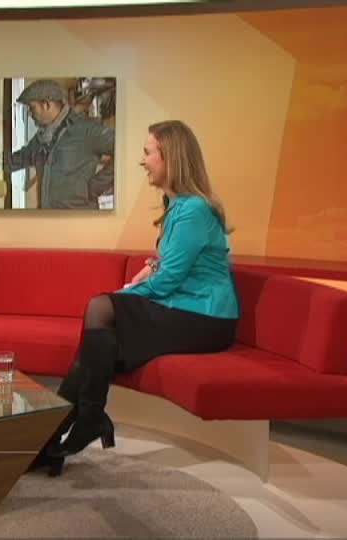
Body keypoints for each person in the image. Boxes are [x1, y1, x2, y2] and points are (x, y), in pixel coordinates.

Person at [33, 120, 239, 475]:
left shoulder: (193, 210)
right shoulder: (178, 205)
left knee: (100, 311)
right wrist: (151, 269)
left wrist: (123, 294)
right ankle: (54, 438)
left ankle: (79, 423)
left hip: (205, 318)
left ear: (170, 156)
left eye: (148, 152)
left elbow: (168, 281)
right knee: (97, 345)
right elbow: (174, 264)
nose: (142, 161)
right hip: (184, 307)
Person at [9, 79, 115, 209]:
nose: (30, 114)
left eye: (32, 108)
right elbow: (15, 161)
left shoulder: (86, 130)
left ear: (46, 104)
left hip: (79, 218)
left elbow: (126, 150)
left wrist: (95, 187)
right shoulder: (41, 139)